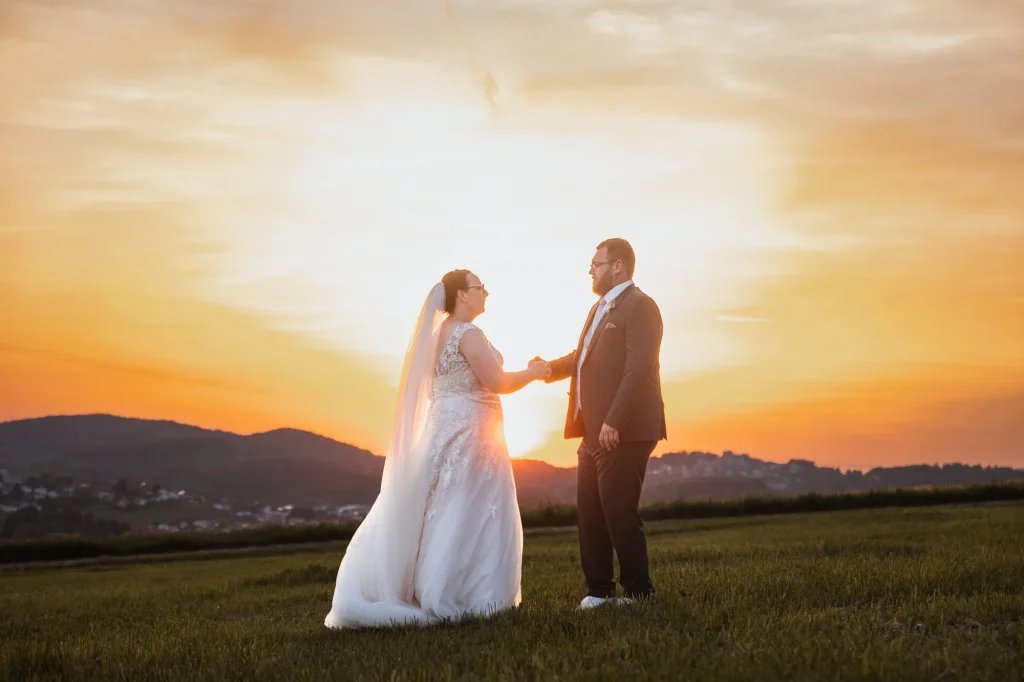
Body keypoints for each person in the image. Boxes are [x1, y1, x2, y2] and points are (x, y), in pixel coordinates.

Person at [324, 269, 550, 629]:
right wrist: (536, 370)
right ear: (461, 295)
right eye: (480, 288)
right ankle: (465, 593)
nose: (486, 293)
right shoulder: (467, 333)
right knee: (473, 508)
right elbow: (498, 382)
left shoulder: (435, 336)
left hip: (443, 428)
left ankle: (425, 585)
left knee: (443, 507)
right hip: (471, 431)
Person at [539, 238, 666, 609]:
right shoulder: (599, 308)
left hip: (623, 430)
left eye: (597, 263)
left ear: (618, 266)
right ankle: (598, 592)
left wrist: (614, 421)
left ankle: (640, 593)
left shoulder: (641, 307)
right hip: (592, 430)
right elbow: (584, 357)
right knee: (591, 512)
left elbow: (639, 368)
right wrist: (548, 369)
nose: (591, 270)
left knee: (618, 511)